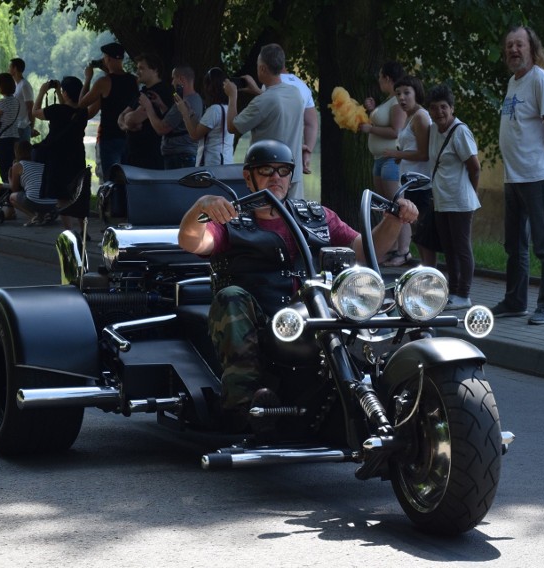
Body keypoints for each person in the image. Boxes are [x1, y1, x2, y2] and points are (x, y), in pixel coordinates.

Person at [177, 139, 419, 430]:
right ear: (248, 176)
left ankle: (386, 389)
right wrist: (201, 208)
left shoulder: (315, 215)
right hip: (260, 320)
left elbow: (365, 250)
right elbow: (192, 240)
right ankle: (242, 407)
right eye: (266, 170)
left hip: (314, 314)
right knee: (230, 297)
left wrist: (394, 220)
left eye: (283, 170)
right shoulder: (231, 219)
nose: (275, 177)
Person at [493, 26, 544, 326]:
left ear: (532, 49)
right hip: (514, 178)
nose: (513, 50)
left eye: (519, 45)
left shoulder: (540, 79)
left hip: (534, 177)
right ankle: (516, 301)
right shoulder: (513, 81)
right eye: (509, 45)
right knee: (515, 246)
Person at [426, 85, 480, 311]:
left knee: (461, 247)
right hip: (442, 198)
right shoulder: (433, 131)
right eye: (434, 108)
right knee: (448, 247)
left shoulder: (460, 132)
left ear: (452, 108)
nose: (439, 112)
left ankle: (464, 294)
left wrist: (471, 193)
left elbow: (474, 167)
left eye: (443, 107)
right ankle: (453, 291)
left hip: (459, 200)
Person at [225, 44, 305, 198]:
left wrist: (232, 95)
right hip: (292, 176)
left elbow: (232, 126)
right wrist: (258, 91)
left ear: (262, 68)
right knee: (292, 220)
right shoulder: (294, 93)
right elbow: (274, 104)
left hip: (269, 180)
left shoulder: (263, 101)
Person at [382, 75, 434, 267]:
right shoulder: (410, 116)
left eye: (406, 93)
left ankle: (428, 270)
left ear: (416, 93)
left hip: (421, 182)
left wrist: (399, 154)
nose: (402, 98)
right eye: (398, 94)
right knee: (417, 230)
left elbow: (424, 153)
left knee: (421, 231)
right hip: (410, 181)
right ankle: (424, 270)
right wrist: (400, 155)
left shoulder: (420, 116)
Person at [360, 61, 407, 257]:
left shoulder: (397, 101)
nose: (378, 81)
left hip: (390, 159)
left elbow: (395, 131)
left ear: (388, 78)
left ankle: (404, 251)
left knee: (398, 207)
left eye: (380, 77)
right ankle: (392, 247)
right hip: (380, 159)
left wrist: (370, 128)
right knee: (387, 208)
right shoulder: (389, 100)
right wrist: (371, 111)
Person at [31, 76, 89, 233]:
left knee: (62, 195)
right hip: (77, 154)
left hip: (58, 156)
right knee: (78, 193)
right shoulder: (82, 112)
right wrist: (59, 90)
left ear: (67, 93)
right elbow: (67, 110)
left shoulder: (56, 110)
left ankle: (68, 230)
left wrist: (43, 91)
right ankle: (84, 230)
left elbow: (35, 112)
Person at [78, 42, 137, 175]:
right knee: (128, 179)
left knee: (111, 180)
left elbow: (82, 103)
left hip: (109, 137)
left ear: (108, 58)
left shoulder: (103, 82)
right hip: (129, 137)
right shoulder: (134, 80)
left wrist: (88, 78)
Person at [138, 65, 202, 169]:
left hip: (179, 157)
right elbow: (176, 122)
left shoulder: (184, 103)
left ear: (181, 79)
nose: (172, 83)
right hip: (185, 156)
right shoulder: (196, 98)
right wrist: (161, 105)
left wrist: (148, 106)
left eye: (173, 78)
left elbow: (161, 129)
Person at [118, 53, 172, 169]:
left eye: (142, 68)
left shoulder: (159, 93)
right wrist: (127, 126)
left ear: (155, 70)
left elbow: (132, 119)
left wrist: (128, 121)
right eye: (137, 68)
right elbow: (121, 117)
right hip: (132, 155)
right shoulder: (142, 92)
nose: (137, 72)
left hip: (149, 158)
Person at [177, 67, 234, 166]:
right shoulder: (228, 108)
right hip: (225, 162)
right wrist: (190, 113)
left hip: (212, 166)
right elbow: (200, 128)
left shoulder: (214, 110)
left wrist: (184, 113)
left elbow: (194, 135)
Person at [0, 72, 21, 185]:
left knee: (5, 170)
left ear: (1, 86)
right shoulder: (17, 102)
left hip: (4, 141)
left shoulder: (2, 103)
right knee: (13, 168)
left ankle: (7, 196)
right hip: (15, 139)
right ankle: (13, 193)